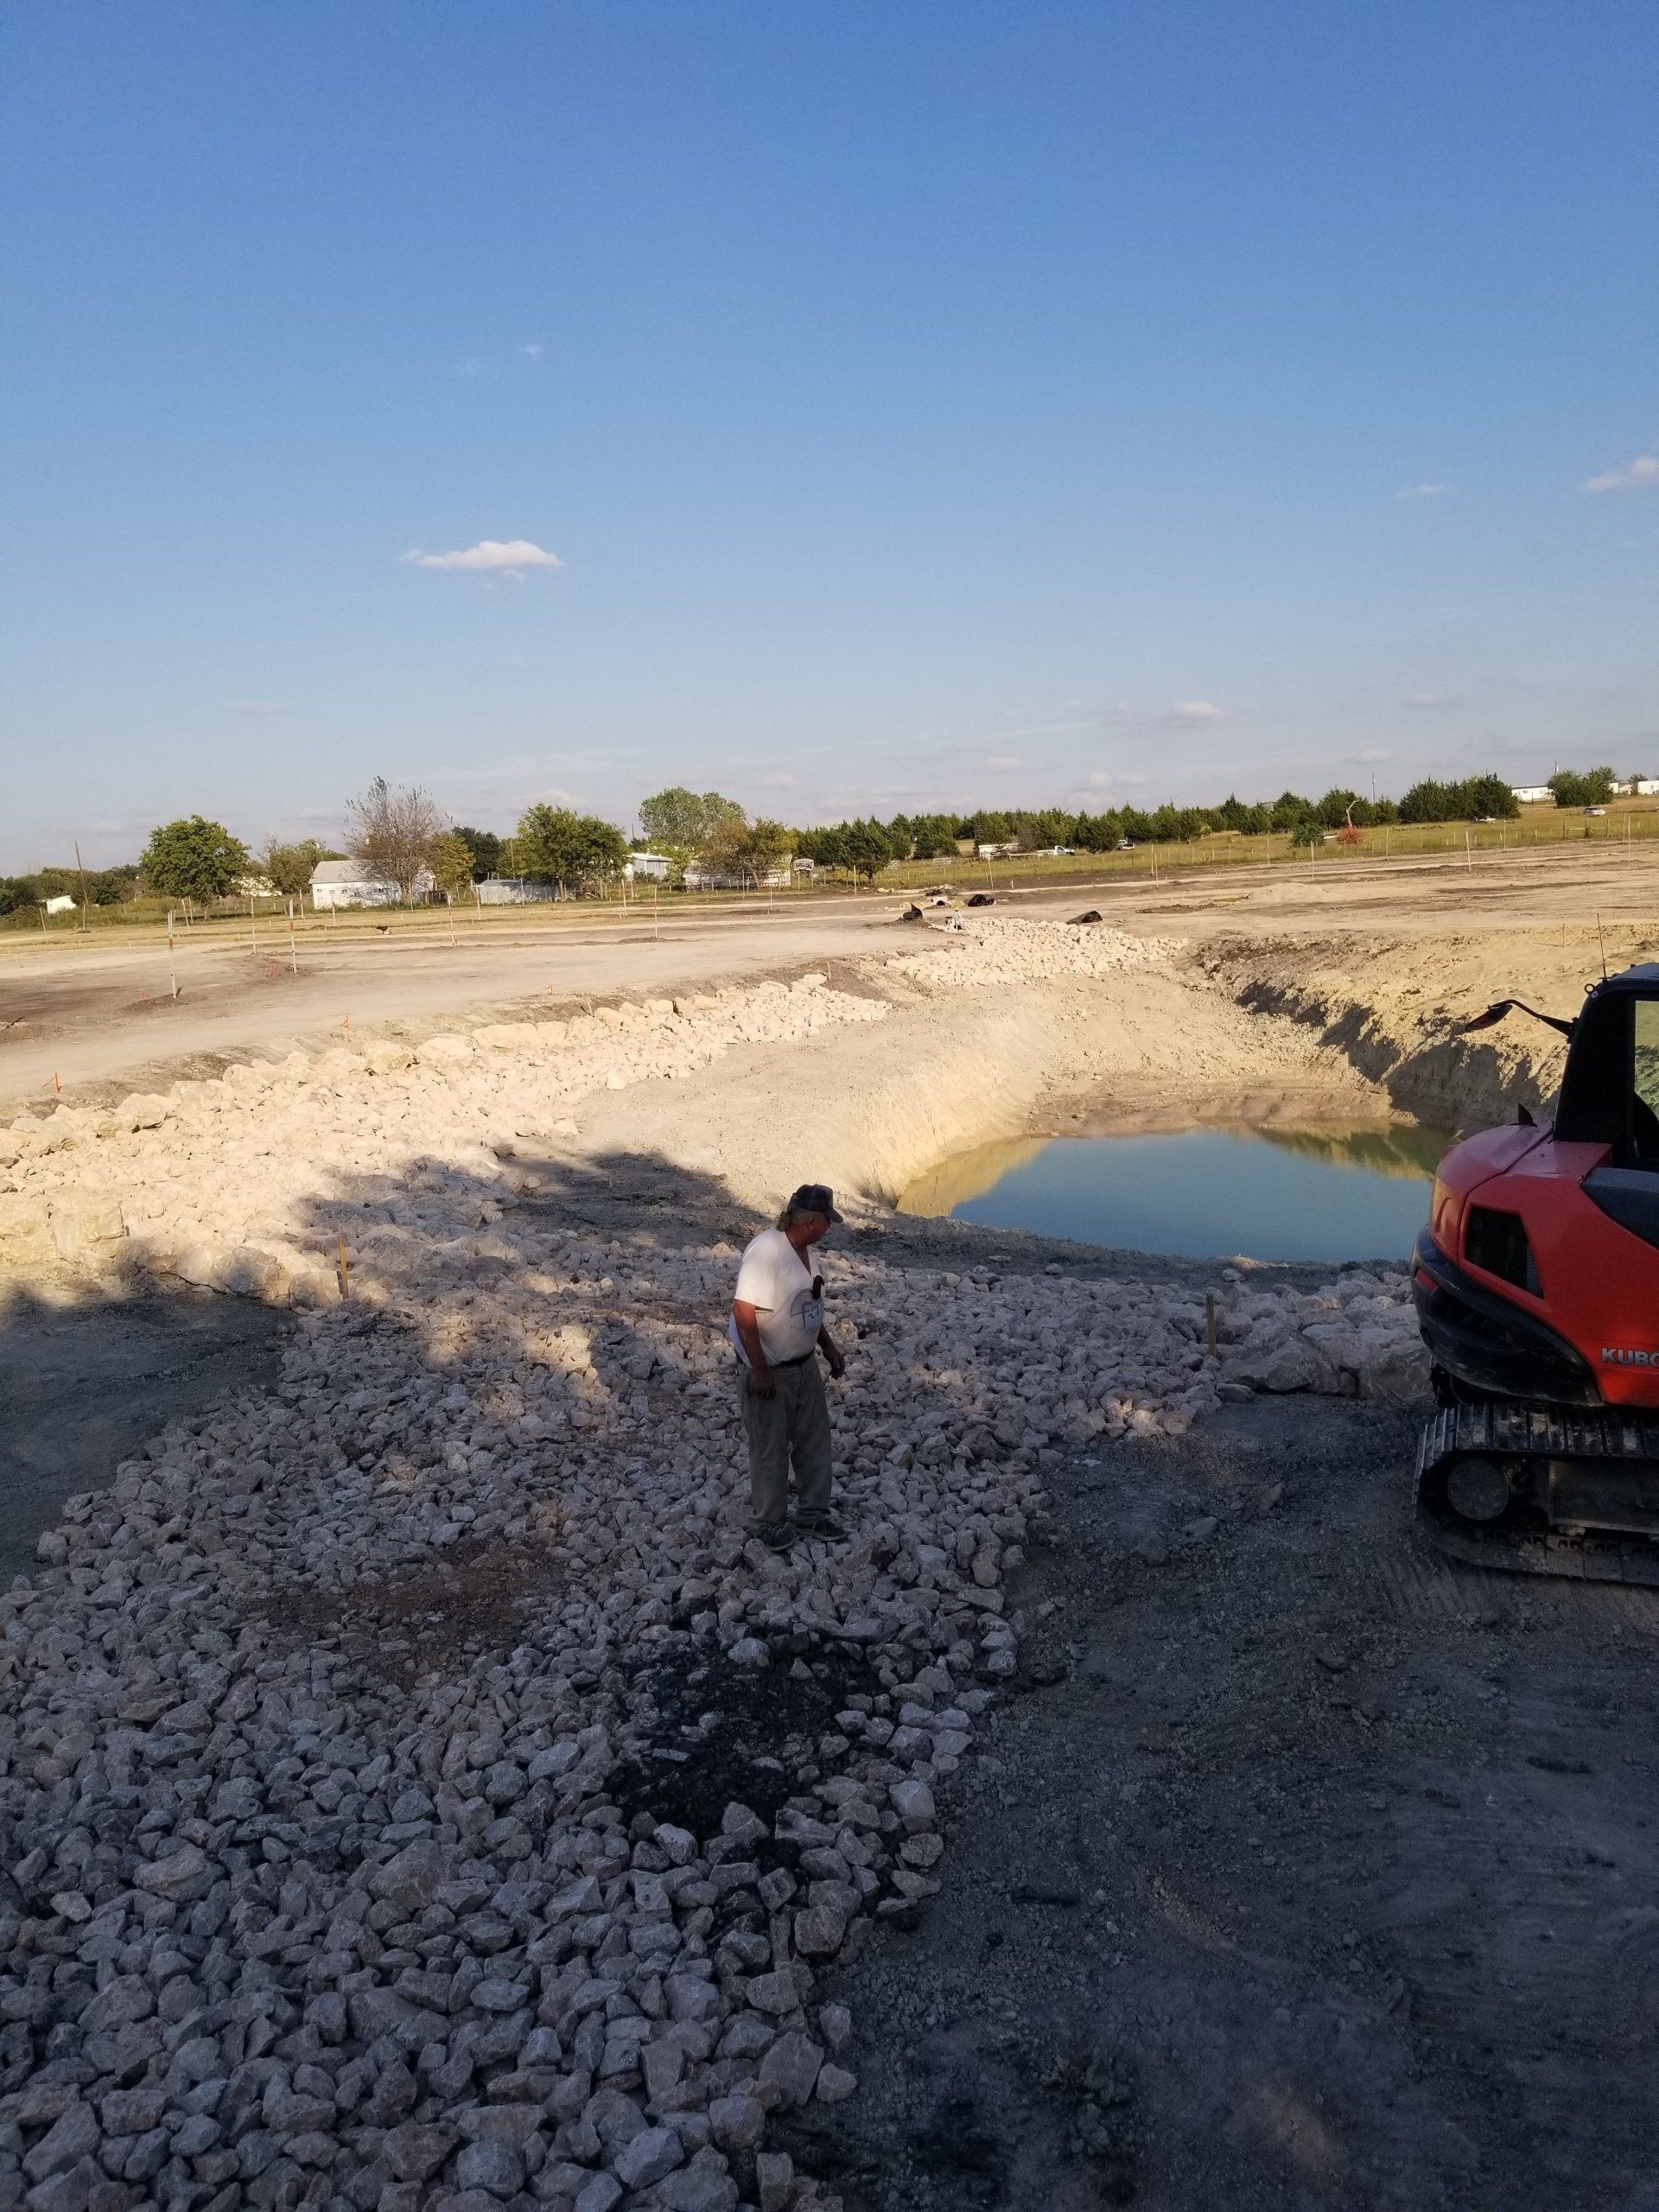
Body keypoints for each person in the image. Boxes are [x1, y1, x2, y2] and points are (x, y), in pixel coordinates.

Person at [728, 1183, 849, 1548]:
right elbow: (743, 1311)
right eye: (827, 1221)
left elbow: (807, 1303)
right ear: (811, 1222)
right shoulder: (767, 1251)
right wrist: (760, 1371)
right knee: (771, 1448)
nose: (829, 1228)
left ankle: (812, 1514)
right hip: (771, 1369)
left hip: (803, 1364)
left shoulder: (806, 1252)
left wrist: (827, 1347)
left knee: (815, 1441)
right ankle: (767, 1522)